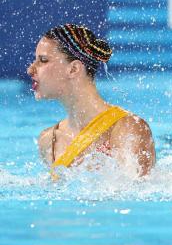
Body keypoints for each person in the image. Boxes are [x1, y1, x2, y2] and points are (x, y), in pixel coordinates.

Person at [27, 24, 155, 178]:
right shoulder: (48, 141)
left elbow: (140, 195)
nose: (30, 70)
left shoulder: (127, 129)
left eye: (43, 60)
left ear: (74, 69)